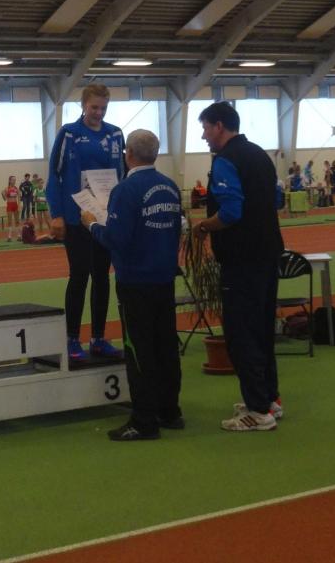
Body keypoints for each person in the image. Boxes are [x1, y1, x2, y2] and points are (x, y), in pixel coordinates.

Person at [81, 129, 183, 441]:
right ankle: (169, 411)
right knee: (166, 345)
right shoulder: (171, 187)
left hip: (136, 280)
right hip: (164, 278)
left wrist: (92, 224)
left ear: (128, 154)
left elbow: (116, 238)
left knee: (139, 350)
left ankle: (143, 420)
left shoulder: (125, 190)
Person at [192, 101, 284, 432]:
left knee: (241, 333)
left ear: (219, 126)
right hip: (268, 253)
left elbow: (231, 212)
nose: (203, 136)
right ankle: (269, 399)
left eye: (205, 128)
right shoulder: (260, 154)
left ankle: (258, 412)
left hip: (242, 259)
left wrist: (204, 226)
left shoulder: (225, 161)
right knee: (262, 329)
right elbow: (277, 200)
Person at [46, 83, 125, 360]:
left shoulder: (115, 134)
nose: (99, 113)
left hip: (104, 218)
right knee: (79, 275)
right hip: (75, 217)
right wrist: (56, 214)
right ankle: (71, 338)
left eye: (103, 108)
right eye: (94, 107)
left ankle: (98, 338)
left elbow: (121, 176)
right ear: (83, 105)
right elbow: (54, 175)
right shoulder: (69, 133)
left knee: (102, 277)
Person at [1, 175, 21, 242]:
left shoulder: (16, 188)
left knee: (17, 221)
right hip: (9, 205)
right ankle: (9, 236)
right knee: (9, 221)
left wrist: (19, 206)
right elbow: (4, 199)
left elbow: (19, 198)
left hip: (15, 205)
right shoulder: (6, 189)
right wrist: (2, 194)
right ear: (10, 181)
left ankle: (19, 236)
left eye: (15, 180)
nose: (14, 181)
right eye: (13, 180)